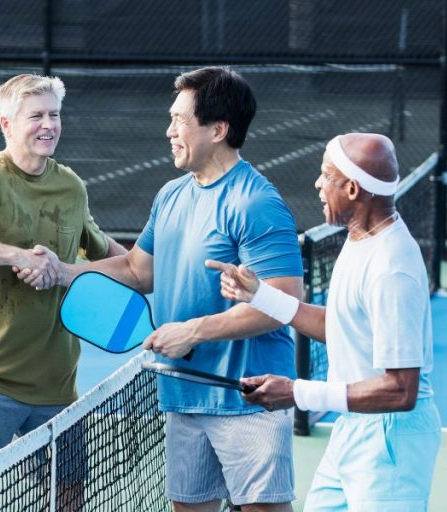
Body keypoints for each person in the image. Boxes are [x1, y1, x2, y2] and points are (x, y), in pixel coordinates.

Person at [36, 66, 303, 512]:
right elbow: (139, 270)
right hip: (182, 392)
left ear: (218, 129)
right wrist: (63, 272)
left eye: (180, 120)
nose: (169, 130)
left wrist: (192, 332)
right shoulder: (172, 195)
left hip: (246, 396)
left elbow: (285, 303)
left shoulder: (256, 203)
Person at [208, 132, 441, 511]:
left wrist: (297, 392)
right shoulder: (359, 239)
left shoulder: (391, 268)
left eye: (325, 174)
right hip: (353, 426)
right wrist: (260, 295)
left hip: (391, 440)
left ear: (351, 189)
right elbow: (344, 326)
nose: (317, 183)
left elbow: (401, 390)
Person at [0, 73, 127, 478]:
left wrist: (150, 265)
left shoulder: (71, 187)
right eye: (36, 116)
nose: (48, 125)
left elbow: (108, 255)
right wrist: (16, 256)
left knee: (68, 499)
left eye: (54, 115)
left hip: (57, 383)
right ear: (7, 124)